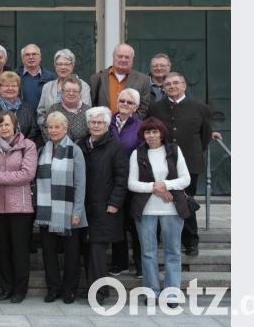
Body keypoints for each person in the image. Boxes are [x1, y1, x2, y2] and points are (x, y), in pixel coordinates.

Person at [148, 72, 218, 257]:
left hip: (190, 162)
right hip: (163, 162)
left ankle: (190, 241)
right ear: (163, 88)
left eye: (176, 83)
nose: (172, 86)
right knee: (162, 198)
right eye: (168, 84)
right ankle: (161, 238)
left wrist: (191, 152)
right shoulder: (156, 108)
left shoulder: (200, 107)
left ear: (184, 85)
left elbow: (205, 135)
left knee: (185, 201)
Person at [128, 117, 192, 307]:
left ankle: (172, 294)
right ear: (143, 135)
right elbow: (131, 183)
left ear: (161, 133)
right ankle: (151, 292)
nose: (152, 135)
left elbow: (186, 179)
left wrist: (165, 185)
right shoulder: (137, 153)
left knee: (173, 252)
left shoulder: (174, 150)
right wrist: (154, 188)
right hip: (146, 210)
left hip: (172, 210)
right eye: (148, 132)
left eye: (155, 131)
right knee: (148, 252)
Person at [78, 106, 128, 304]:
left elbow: (121, 177)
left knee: (97, 251)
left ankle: (99, 292)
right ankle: (94, 289)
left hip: (105, 207)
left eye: (100, 122)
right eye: (93, 122)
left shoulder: (114, 147)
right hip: (84, 206)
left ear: (107, 125)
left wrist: (115, 202)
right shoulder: (82, 144)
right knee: (88, 249)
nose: (96, 125)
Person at [0, 111, 37, 303]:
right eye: (0, 125)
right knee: (3, 250)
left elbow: (26, 174)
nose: (4, 128)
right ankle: (6, 288)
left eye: (7, 124)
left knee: (20, 251)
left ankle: (19, 290)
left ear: (15, 125)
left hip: (21, 207)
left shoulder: (28, 146)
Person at [36, 112, 87, 304]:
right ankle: (53, 288)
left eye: (57, 127)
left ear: (65, 129)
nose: (53, 130)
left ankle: (69, 290)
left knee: (71, 254)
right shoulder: (43, 150)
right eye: (50, 127)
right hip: (46, 210)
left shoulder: (75, 151)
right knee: (48, 253)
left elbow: (80, 184)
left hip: (69, 211)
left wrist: (77, 212)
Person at [108, 88, 145, 277]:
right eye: (122, 100)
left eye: (129, 103)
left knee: (136, 225)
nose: (124, 105)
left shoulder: (141, 127)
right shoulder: (107, 123)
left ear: (136, 107)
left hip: (133, 182)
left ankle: (140, 265)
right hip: (112, 182)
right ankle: (119, 263)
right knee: (117, 225)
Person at [90, 43, 152, 118]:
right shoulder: (97, 78)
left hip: (131, 127)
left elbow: (143, 109)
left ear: (132, 59)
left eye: (127, 57)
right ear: (113, 57)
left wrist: (127, 124)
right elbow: (93, 105)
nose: (123, 60)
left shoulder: (143, 80)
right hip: (104, 126)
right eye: (120, 56)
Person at [36, 49, 91, 129]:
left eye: (67, 64)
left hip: (77, 137)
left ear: (72, 66)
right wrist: (47, 131)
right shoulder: (47, 87)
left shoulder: (84, 86)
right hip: (51, 134)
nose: (63, 67)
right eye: (59, 64)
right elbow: (41, 114)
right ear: (55, 66)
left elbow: (86, 114)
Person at [0, 71, 39, 143]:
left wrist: (23, 145)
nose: (10, 89)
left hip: (25, 148)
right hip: (1, 149)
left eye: (13, 86)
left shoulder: (27, 108)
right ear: (0, 87)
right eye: (6, 86)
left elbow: (33, 130)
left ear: (18, 88)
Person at [41, 78, 90, 143]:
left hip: (83, 151)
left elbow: (91, 134)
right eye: (67, 91)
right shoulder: (54, 109)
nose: (71, 93)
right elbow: (46, 130)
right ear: (62, 92)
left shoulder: (88, 111)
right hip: (57, 149)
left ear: (79, 93)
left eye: (75, 91)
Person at [16, 44, 56, 117]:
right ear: (22, 59)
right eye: (27, 55)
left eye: (34, 54)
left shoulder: (50, 77)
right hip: (22, 122)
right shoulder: (15, 76)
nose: (31, 57)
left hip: (44, 121)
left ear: (40, 57)